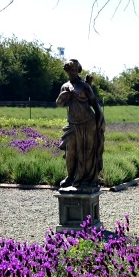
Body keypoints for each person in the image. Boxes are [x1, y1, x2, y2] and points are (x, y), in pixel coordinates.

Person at [56, 59, 105, 191]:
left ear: (78, 70)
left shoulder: (84, 86)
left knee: (87, 152)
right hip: (73, 125)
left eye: (73, 69)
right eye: (69, 69)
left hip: (88, 124)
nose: (71, 72)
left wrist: (100, 120)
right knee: (71, 151)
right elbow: (59, 103)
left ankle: (87, 179)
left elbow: (95, 104)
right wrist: (62, 96)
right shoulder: (65, 86)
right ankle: (71, 177)